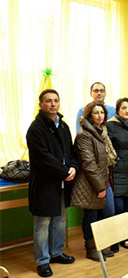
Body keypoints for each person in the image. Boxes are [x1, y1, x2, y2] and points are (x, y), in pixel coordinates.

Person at [26, 89, 78, 277]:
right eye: (48, 101)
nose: (53, 104)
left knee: (60, 220)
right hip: (45, 184)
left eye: (56, 100)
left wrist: (72, 166)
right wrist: (64, 172)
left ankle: (56, 253)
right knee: (42, 223)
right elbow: (43, 158)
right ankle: (42, 261)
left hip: (63, 182)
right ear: (41, 104)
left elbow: (71, 151)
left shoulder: (63, 126)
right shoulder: (36, 128)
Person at [71, 102, 116, 262]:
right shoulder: (84, 134)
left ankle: (102, 245)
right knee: (92, 216)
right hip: (91, 183)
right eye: (96, 113)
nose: (99, 115)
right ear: (89, 115)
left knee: (108, 213)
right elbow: (89, 163)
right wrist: (100, 187)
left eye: (102, 113)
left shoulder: (101, 132)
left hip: (104, 180)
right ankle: (91, 248)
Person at [107, 98, 128, 249]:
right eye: (124, 108)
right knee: (117, 207)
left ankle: (125, 237)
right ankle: (114, 239)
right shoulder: (110, 126)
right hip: (117, 171)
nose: (127, 111)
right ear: (118, 110)